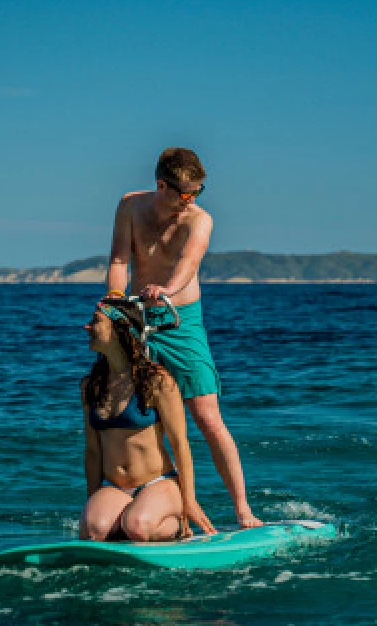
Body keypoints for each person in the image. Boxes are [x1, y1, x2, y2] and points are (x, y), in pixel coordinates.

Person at [106, 147, 263, 529]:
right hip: (136, 316)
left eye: (197, 192)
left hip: (181, 322)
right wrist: (114, 301)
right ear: (162, 185)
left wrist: (166, 290)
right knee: (140, 418)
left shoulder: (200, 220)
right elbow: (119, 262)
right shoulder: (130, 206)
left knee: (207, 417)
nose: (190, 201)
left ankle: (243, 510)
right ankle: (166, 507)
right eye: (184, 193)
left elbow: (188, 264)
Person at [80, 298, 216, 541]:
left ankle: (174, 522)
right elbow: (93, 451)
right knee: (93, 530)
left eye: (95, 321)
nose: (87, 327)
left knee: (137, 527)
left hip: (157, 482)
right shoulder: (91, 385)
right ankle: (121, 520)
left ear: (119, 328)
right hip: (115, 486)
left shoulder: (158, 381)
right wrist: (93, 501)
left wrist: (190, 503)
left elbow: (180, 444)